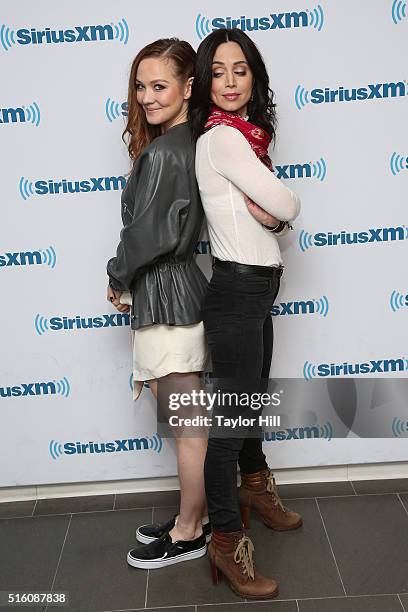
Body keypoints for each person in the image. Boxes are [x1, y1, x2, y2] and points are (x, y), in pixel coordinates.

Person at [189, 28, 302, 598]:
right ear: (205, 82)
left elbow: (273, 216)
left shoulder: (247, 139)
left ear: (254, 76)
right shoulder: (223, 140)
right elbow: (286, 202)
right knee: (228, 429)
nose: (231, 82)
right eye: (218, 71)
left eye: (241, 70)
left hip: (256, 288)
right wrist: (283, 213)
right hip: (236, 291)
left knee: (251, 401)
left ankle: (254, 489)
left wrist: (276, 221)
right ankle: (226, 542)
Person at [106, 38, 211, 569]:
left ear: (189, 88)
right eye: (141, 86)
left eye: (159, 85)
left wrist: (115, 273)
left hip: (167, 295)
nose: (146, 97)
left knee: (186, 426)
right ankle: (190, 515)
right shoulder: (183, 142)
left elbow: (146, 235)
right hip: (174, 290)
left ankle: (191, 530)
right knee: (185, 422)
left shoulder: (168, 150)